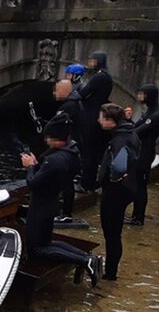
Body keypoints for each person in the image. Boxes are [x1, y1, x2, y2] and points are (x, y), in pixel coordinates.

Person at [21, 113, 102, 287]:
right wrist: (38, 164)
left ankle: (85, 261)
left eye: (48, 138)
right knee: (47, 242)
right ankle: (88, 257)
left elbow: (32, 184)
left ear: (57, 138)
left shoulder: (55, 160)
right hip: (52, 202)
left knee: (37, 249)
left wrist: (31, 167)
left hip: (41, 206)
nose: (46, 141)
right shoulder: (72, 151)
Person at [97, 103, 140, 281]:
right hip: (129, 188)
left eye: (101, 117)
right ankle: (111, 269)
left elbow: (119, 166)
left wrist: (112, 179)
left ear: (111, 121)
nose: (98, 120)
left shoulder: (119, 140)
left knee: (112, 233)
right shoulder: (131, 133)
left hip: (116, 191)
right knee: (115, 232)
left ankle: (110, 274)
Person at [78, 51, 113, 192]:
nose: (90, 62)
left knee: (88, 152)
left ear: (98, 61)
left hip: (91, 116)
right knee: (95, 152)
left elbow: (83, 93)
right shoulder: (108, 77)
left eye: (92, 60)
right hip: (99, 115)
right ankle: (93, 181)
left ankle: (85, 183)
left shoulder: (98, 77)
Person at [127, 84, 159, 226]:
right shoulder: (148, 112)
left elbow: (139, 130)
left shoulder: (155, 114)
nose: (139, 97)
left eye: (142, 94)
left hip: (146, 153)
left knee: (141, 185)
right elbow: (134, 127)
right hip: (140, 151)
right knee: (137, 183)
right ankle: (135, 214)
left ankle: (138, 217)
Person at [52, 79, 84, 222]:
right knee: (65, 180)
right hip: (72, 145)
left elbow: (58, 124)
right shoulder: (74, 103)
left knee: (66, 180)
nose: (54, 93)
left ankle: (66, 214)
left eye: (57, 90)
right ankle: (62, 210)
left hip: (69, 147)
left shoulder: (69, 106)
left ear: (65, 90)